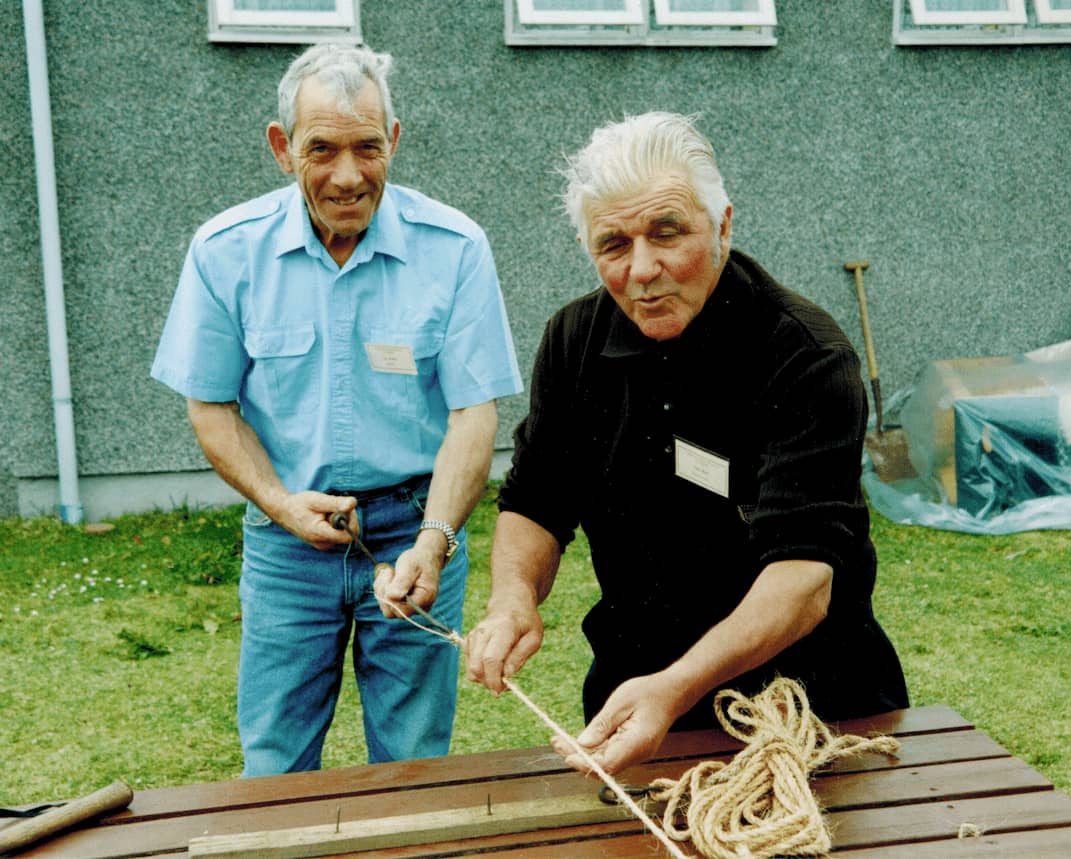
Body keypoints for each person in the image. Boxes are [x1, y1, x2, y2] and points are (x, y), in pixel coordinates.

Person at [465, 111, 907, 776]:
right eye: (613, 244)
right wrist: (513, 596)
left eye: (668, 233)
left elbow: (804, 584)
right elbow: (536, 499)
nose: (643, 269)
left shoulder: (806, 358)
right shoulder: (573, 341)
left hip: (813, 707)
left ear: (724, 225)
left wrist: (677, 686)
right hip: (636, 695)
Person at [151, 44, 522, 775]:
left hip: (418, 537)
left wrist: (436, 537)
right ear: (282, 148)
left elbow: (473, 416)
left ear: (395, 141)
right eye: (322, 148)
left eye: (367, 147)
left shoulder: (455, 249)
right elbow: (212, 408)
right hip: (287, 546)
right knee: (275, 766)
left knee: (414, 767)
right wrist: (280, 503)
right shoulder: (226, 252)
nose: (348, 175)